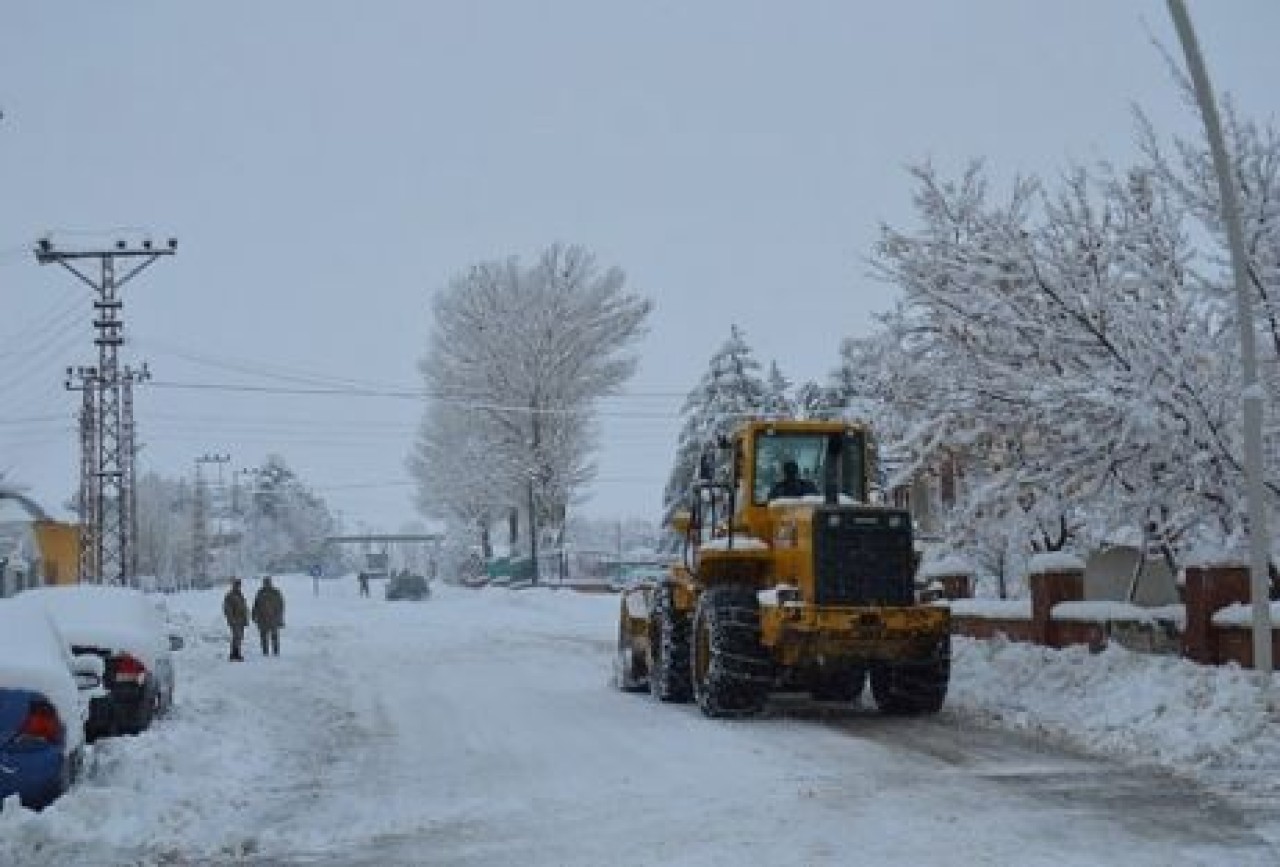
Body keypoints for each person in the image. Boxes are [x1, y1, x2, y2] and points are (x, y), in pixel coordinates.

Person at [252, 576, 286, 656]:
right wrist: (254, 615)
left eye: (267, 582)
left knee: (274, 636)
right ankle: (265, 652)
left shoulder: (276, 592)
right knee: (264, 637)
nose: (266, 584)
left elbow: (281, 605)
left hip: (273, 618)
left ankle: (276, 652)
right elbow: (256, 605)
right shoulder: (260, 592)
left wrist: (279, 617)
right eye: (265, 582)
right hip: (262, 618)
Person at [223, 577, 249, 661]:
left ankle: (237, 653)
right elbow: (227, 609)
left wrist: (246, 618)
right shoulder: (230, 596)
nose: (238, 586)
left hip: (241, 620)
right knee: (236, 637)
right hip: (235, 620)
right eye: (237, 584)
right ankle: (234, 654)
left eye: (239, 585)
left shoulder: (240, 595)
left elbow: (244, 607)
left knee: (239, 637)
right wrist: (231, 619)